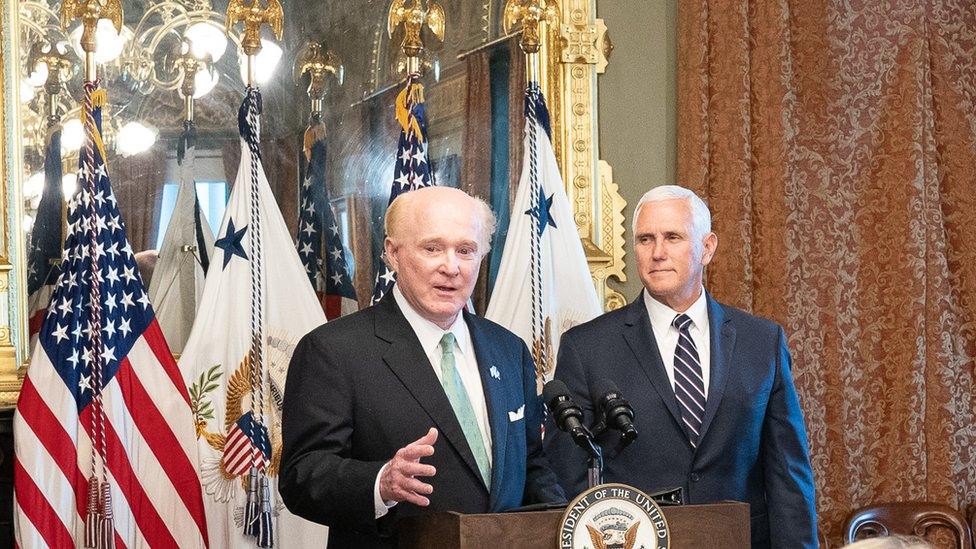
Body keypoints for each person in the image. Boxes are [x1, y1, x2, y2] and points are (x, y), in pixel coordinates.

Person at [280, 186, 565, 548]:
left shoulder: (508, 350)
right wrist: (380, 482)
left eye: (466, 250)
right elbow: (301, 475)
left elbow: (531, 463)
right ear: (392, 253)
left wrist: (569, 520)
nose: (451, 266)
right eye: (432, 248)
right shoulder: (333, 350)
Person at [544, 185, 817, 548]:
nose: (657, 252)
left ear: (707, 248)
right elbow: (568, 476)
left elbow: (789, 476)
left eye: (672, 237)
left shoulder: (761, 341)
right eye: (645, 239)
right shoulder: (587, 347)